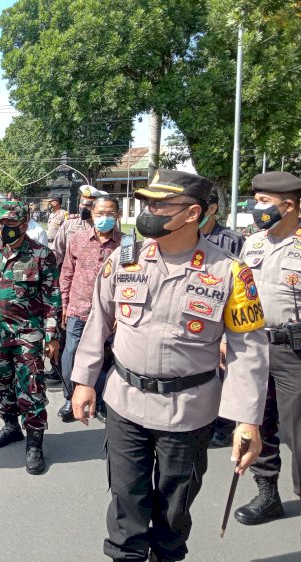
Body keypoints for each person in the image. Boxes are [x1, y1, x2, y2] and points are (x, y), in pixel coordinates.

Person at [71, 169, 268, 562]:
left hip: (188, 413)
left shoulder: (230, 272)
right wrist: (84, 380)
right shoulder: (125, 260)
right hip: (125, 403)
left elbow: (248, 350)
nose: (149, 211)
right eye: (147, 203)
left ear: (192, 212)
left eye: (160, 204)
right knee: (126, 504)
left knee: (173, 513)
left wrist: (247, 420)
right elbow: (99, 321)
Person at [0, 201, 60, 474]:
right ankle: (10, 426)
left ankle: (34, 442)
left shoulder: (42, 255)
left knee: (31, 386)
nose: (6, 229)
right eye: (3, 224)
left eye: (12, 224)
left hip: (28, 336)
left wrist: (52, 336)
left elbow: (52, 298)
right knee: (0, 380)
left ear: (24, 224)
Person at [233, 171, 301, 526]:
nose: (255, 208)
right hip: (255, 347)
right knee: (257, 421)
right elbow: (242, 294)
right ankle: (267, 493)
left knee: (298, 430)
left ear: (288, 205)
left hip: (295, 353)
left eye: (263, 202)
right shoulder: (253, 243)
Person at [57, 195, 121, 423]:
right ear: (92, 215)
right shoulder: (78, 239)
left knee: (105, 359)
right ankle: (70, 397)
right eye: (99, 214)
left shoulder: (127, 245)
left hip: (110, 315)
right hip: (78, 309)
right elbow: (67, 273)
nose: (104, 218)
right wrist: (64, 304)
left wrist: (122, 312)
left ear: (118, 216)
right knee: (71, 354)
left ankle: (101, 401)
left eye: (110, 214)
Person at [200, 189, 245, 447]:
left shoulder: (232, 240)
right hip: (197, 318)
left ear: (212, 209)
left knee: (225, 373)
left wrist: (228, 335)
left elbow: (241, 289)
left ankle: (224, 425)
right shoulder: (186, 238)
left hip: (224, 320)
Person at [50, 185, 103, 265]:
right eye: (82, 204)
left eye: (88, 205)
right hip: (71, 271)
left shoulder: (102, 226)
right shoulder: (69, 224)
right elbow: (57, 251)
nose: (84, 207)